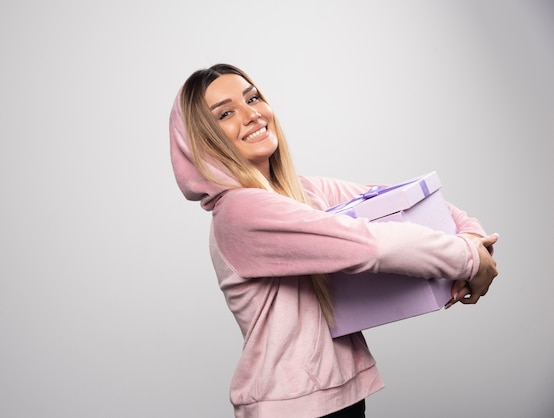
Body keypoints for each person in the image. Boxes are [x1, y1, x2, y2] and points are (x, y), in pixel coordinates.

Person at [169, 63, 498, 418]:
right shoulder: (241, 212)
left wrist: (472, 235)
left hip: (338, 397)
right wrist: (470, 258)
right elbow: (373, 245)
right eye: (226, 113)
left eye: (253, 98)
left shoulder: (303, 192)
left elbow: (399, 200)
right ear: (202, 142)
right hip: (292, 407)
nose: (251, 114)